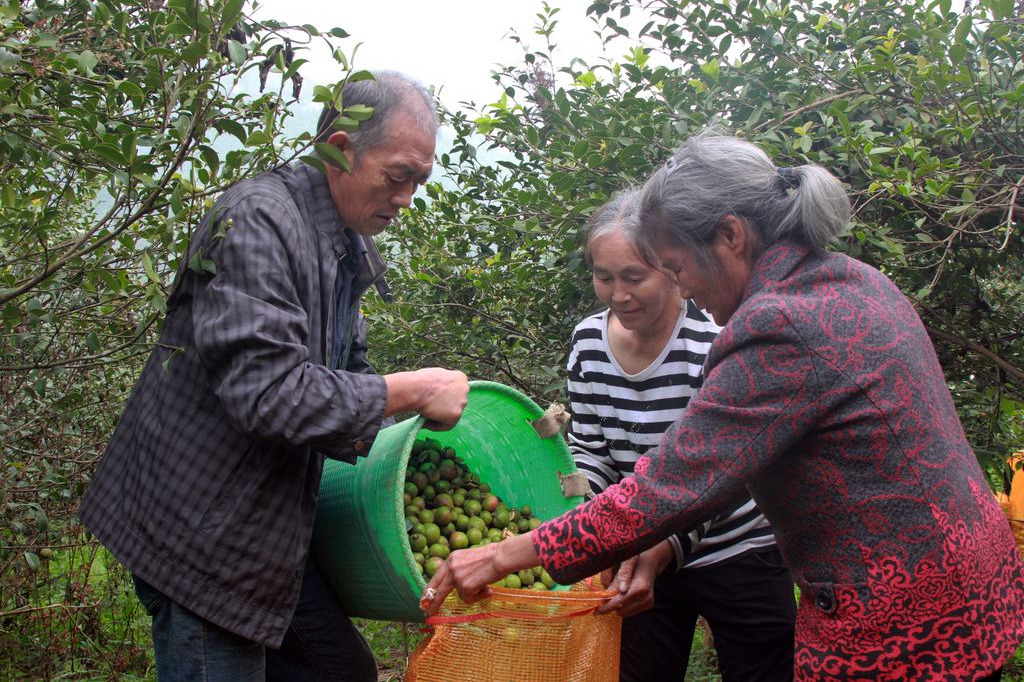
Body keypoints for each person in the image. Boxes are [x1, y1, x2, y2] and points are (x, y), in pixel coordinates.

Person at [425, 132, 1024, 681]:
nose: (682, 288)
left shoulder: (777, 326)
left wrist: (505, 554)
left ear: (731, 236)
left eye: (678, 267)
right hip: (970, 580)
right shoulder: (852, 279)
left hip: (902, 619)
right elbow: (737, 461)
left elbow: (670, 483)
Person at [78, 71, 469, 682]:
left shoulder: (344, 245)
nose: (405, 198)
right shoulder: (260, 221)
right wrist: (414, 388)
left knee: (340, 672)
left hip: (264, 536)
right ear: (340, 147)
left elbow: (348, 372)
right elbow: (268, 393)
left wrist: (410, 425)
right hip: (200, 540)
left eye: (419, 181)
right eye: (398, 177)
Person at [567, 190, 795, 681]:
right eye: (603, 277)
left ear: (672, 269)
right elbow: (590, 451)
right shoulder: (588, 342)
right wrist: (596, 526)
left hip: (739, 547)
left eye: (635, 277)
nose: (618, 294)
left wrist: (665, 540)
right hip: (639, 543)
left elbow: (725, 471)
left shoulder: (716, 343)